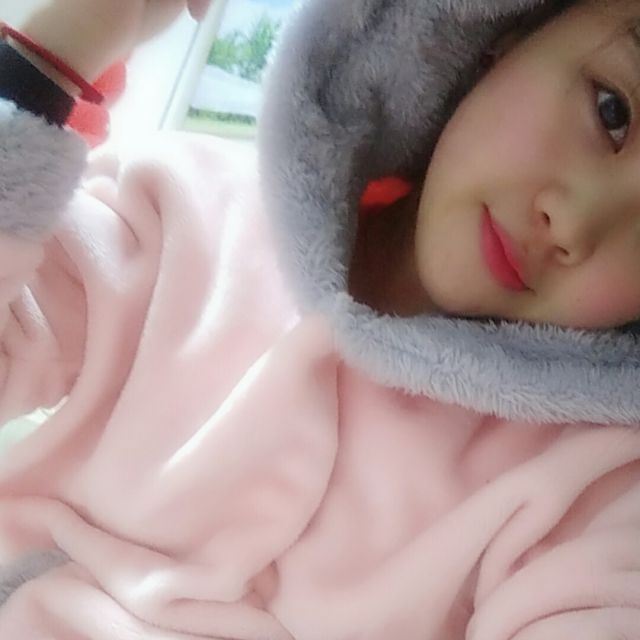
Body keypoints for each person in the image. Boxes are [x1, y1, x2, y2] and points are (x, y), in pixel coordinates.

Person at [0, 0, 639, 638]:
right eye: (612, 110)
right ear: (505, 37)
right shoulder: (188, 214)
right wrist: (50, 60)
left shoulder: (601, 488)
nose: (573, 221)